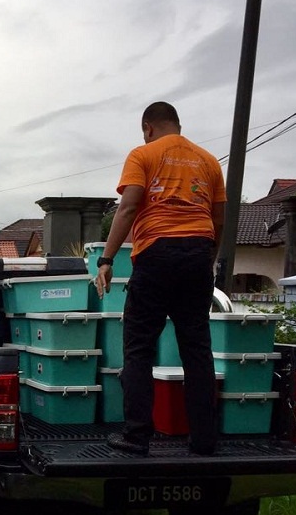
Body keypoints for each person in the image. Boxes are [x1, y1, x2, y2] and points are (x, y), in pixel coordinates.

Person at [96, 102, 226, 457]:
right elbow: (218, 217)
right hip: (199, 252)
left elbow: (128, 207)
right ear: (177, 125)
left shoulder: (143, 154)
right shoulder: (209, 161)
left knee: (139, 347)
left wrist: (106, 260)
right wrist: (207, 260)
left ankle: (137, 437)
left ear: (148, 127)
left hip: (156, 253)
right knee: (197, 348)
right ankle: (204, 440)